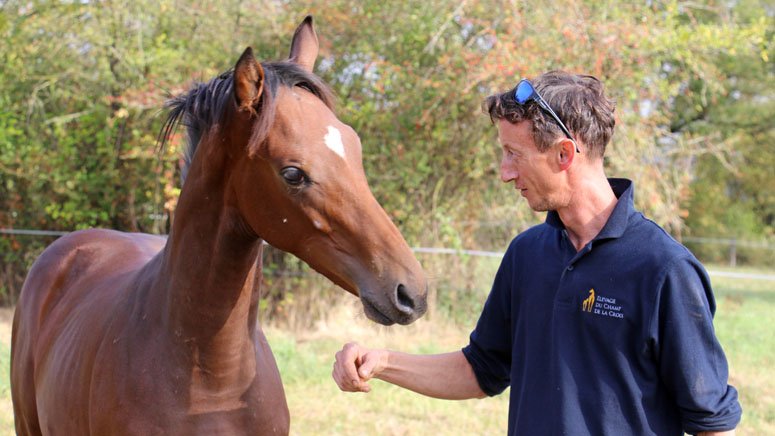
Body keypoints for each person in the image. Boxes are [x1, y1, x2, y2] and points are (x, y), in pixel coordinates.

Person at [331, 71, 742, 435]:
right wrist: (382, 362)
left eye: (514, 154)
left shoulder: (664, 269)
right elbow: (481, 369)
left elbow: (712, 422)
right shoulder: (526, 254)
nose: (505, 172)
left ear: (564, 154)